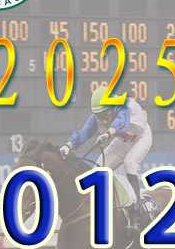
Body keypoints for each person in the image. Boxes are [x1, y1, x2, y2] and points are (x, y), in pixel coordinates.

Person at [60, 86, 152, 230]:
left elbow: (122, 121)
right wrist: (69, 145)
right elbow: (85, 131)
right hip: (123, 140)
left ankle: (137, 209)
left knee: (129, 163)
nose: (101, 119)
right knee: (97, 170)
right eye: (98, 115)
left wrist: (109, 133)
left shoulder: (124, 106)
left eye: (104, 114)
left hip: (141, 137)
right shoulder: (100, 114)